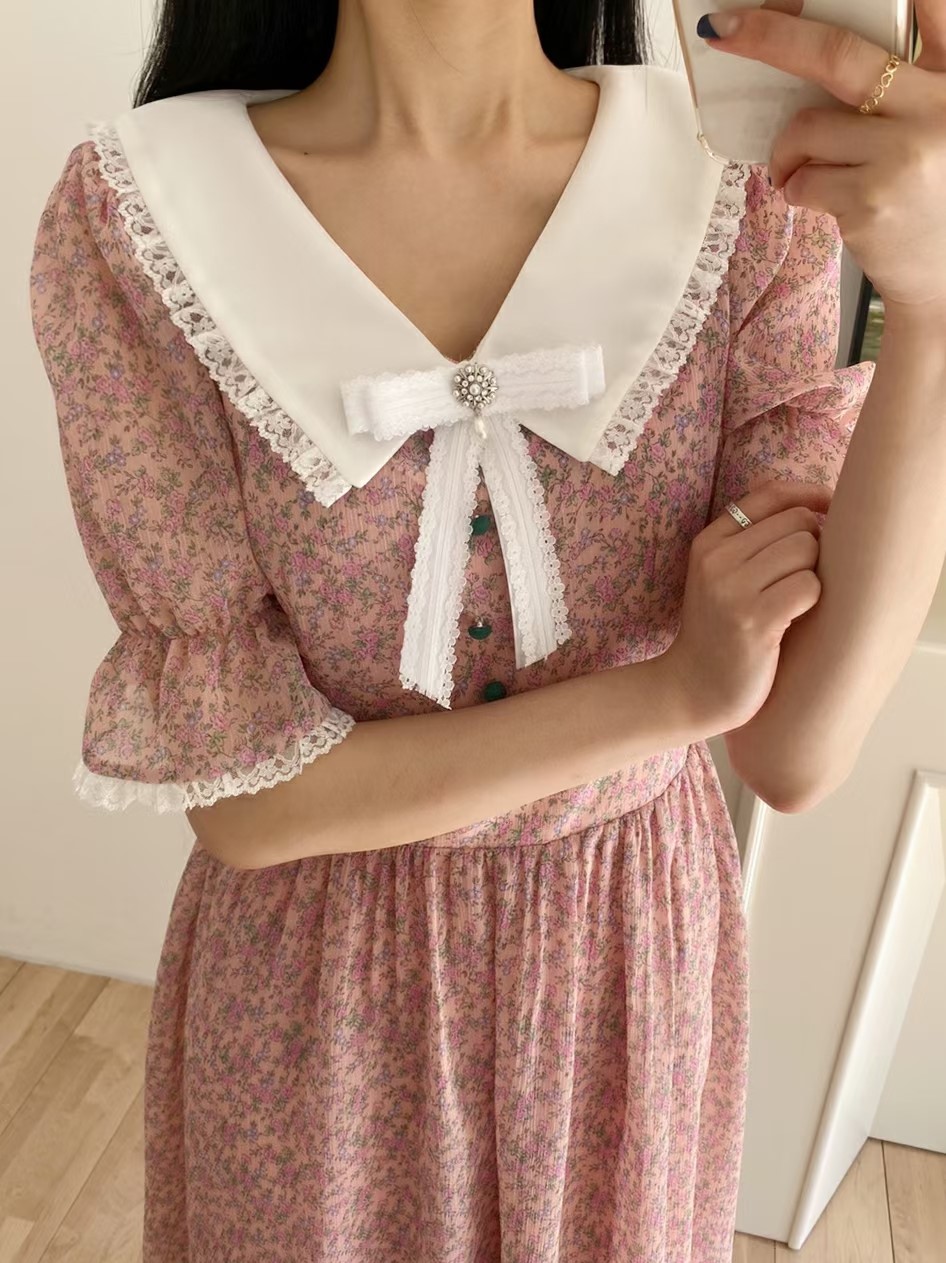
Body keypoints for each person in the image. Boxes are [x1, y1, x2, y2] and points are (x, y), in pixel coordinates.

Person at [27, 1, 946, 1260]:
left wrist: (935, 310)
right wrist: (670, 694)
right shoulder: (140, 219)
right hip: (316, 1003)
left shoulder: (738, 191)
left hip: (626, 969)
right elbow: (248, 805)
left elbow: (795, 747)